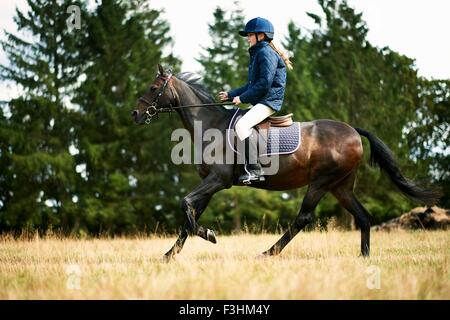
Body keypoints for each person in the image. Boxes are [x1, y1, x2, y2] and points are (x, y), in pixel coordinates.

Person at [219, 17, 293, 185]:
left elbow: (264, 84)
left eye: (250, 34)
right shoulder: (259, 53)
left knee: (241, 125)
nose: (248, 38)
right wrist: (231, 94)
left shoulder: (265, 53)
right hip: (263, 100)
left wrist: (242, 98)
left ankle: (255, 170)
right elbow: (251, 84)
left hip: (269, 102)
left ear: (261, 36)